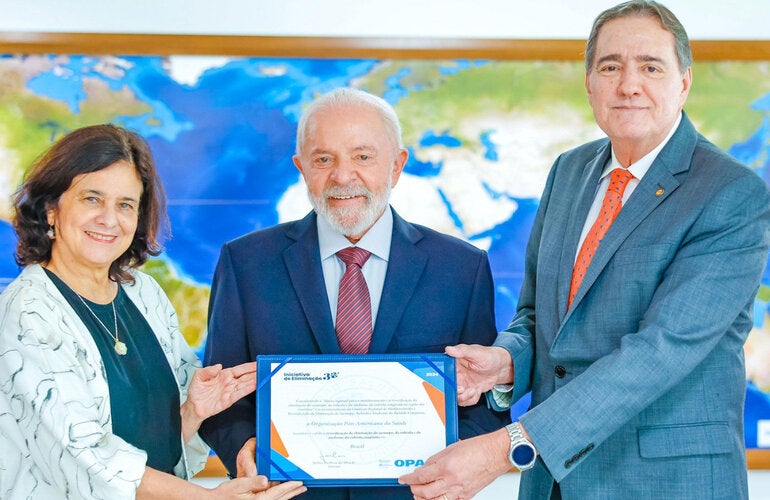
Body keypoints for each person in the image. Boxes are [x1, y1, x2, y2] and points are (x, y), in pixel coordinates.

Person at [399, 1, 770, 499]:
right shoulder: (569, 172)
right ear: (590, 82)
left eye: (651, 67)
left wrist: (501, 448)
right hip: (554, 485)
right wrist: (506, 361)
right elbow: (538, 315)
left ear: (683, 82)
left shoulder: (731, 193)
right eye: (610, 66)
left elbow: (661, 351)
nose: (628, 84)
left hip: (665, 485)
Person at [199, 87, 511, 499]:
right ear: (301, 167)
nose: (343, 176)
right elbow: (220, 394)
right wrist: (242, 448)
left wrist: (456, 465)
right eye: (323, 159)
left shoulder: (461, 267)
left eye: (363, 157)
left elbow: (484, 398)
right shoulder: (247, 263)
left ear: (397, 165)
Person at [0, 124, 306, 499]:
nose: (109, 219)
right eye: (92, 199)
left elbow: (155, 442)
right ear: (51, 210)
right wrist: (210, 498)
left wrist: (193, 411)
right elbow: (83, 458)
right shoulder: (27, 312)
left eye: (126, 204)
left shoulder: (142, 292)